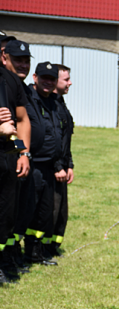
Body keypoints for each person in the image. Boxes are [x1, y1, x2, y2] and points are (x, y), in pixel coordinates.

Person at [24, 62, 64, 266]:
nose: (48, 82)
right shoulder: (29, 99)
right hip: (33, 166)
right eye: (44, 78)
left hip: (49, 166)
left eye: (51, 79)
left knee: (44, 213)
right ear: (35, 77)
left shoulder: (54, 102)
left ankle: (36, 254)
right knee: (29, 211)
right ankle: (19, 255)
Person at [0, 38, 31, 284]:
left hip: (7, 158)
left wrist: (22, 152)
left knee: (5, 214)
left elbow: (21, 120)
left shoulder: (11, 82)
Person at [50, 64, 74, 257]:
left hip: (63, 166)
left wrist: (70, 165)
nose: (70, 83)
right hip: (53, 168)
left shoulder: (61, 103)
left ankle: (53, 246)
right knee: (51, 210)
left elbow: (66, 140)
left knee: (62, 211)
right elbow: (53, 140)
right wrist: (58, 166)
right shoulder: (50, 105)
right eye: (66, 79)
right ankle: (41, 249)